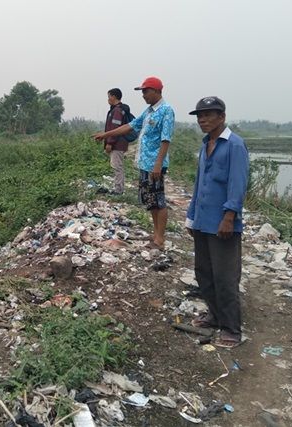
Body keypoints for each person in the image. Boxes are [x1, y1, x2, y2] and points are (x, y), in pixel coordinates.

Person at [185, 96, 249, 349]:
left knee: (225, 276)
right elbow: (199, 184)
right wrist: (191, 217)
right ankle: (214, 315)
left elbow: (238, 184)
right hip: (203, 221)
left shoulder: (234, 145)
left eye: (208, 115)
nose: (202, 119)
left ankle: (232, 328)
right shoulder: (206, 145)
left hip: (223, 223)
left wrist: (229, 216)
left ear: (222, 116)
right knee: (203, 272)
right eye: (200, 116)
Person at [94, 76, 174, 249]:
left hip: (154, 164)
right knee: (151, 201)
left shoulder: (166, 110)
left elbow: (165, 139)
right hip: (145, 163)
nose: (143, 95)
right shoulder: (149, 111)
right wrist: (106, 134)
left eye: (146, 91)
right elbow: (130, 126)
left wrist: (158, 164)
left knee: (159, 201)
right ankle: (155, 235)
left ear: (157, 91)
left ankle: (160, 239)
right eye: (142, 92)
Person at [103, 88, 133, 195]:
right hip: (119, 143)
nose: (108, 99)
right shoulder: (117, 109)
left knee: (117, 166)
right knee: (117, 165)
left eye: (109, 96)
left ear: (114, 97)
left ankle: (118, 190)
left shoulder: (117, 110)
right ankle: (118, 188)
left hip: (117, 143)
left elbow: (115, 127)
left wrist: (109, 143)